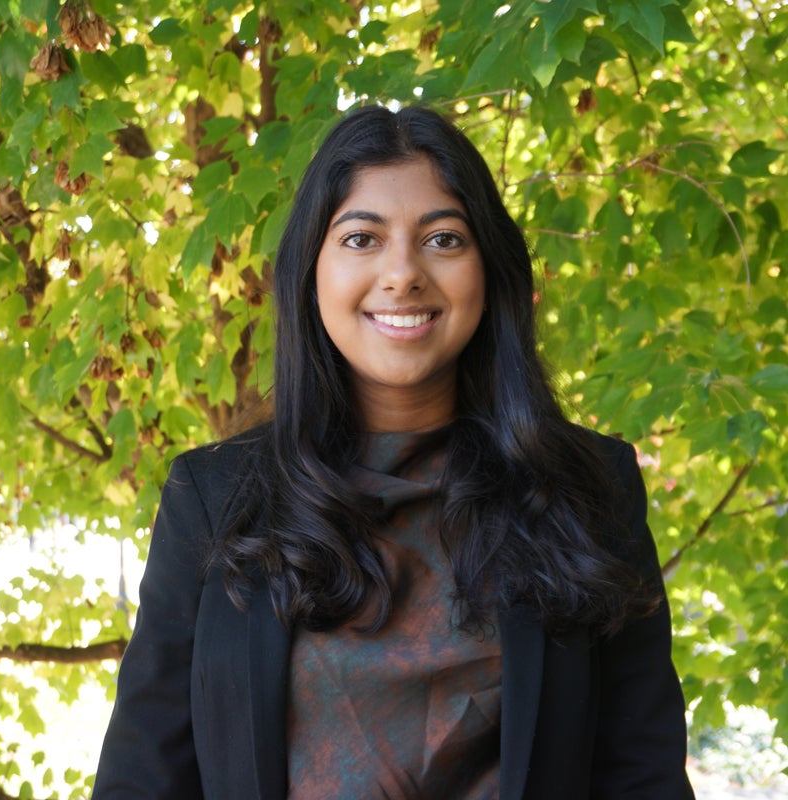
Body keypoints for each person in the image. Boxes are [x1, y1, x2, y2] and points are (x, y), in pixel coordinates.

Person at [92, 104, 695, 799]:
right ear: (310, 272)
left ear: (489, 270)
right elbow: (142, 781)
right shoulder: (213, 497)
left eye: (443, 239)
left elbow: (642, 777)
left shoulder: (591, 490)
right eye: (360, 239)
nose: (403, 273)